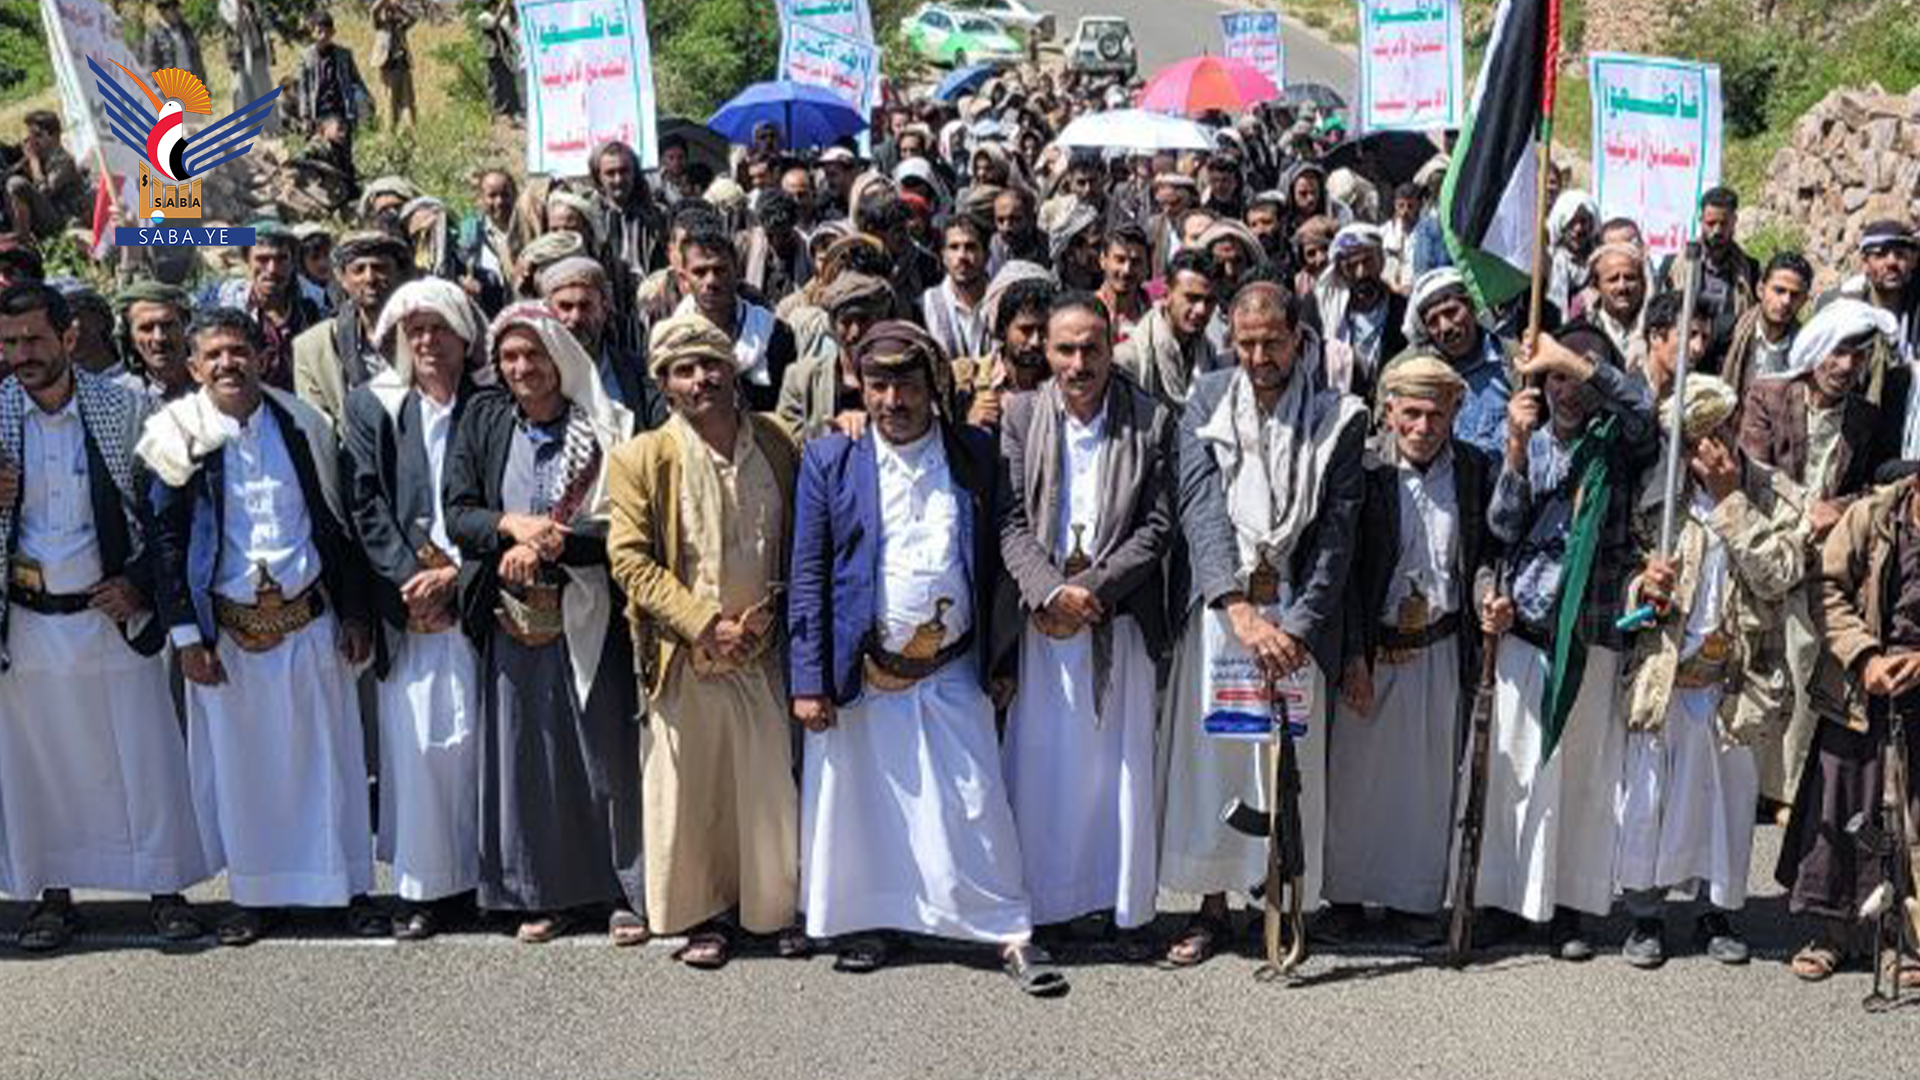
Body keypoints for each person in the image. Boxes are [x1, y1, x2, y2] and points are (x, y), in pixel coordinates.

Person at [788, 321, 1066, 996]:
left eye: (907, 385)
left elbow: (998, 555)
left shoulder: (973, 451)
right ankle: (873, 923)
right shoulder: (831, 458)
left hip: (952, 667)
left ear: (934, 386)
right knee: (867, 808)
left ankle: (1008, 930)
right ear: (860, 387)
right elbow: (808, 572)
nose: (892, 401)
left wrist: (1004, 659)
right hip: (865, 670)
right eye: (878, 386)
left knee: (976, 804)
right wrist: (807, 679)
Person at [139, 306, 379, 946]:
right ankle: (256, 896)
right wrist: (186, 636)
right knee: (244, 775)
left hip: (309, 621)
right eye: (213, 355)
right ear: (194, 367)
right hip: (229, 636)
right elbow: (166, 542)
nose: (228, 364)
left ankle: (347, 890)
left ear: (261, 357)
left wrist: (356, 611)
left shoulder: (303, 424)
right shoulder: (173, 434)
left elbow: (338, 522)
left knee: (329, 761)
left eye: (238, 351)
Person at [1157, 283, 1367, 967]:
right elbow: (1199, 509)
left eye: (1271, 342)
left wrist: (1298, 627)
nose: (1257, 357)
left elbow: (1336, 535)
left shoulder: (1337, 416)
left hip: (1296, 622)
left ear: (1298, 340)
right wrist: (1240, 610)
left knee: (1287, 768)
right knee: (1215, 764)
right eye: (1245, 344)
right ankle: (1212, 907)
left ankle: (1281, 896)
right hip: (1226, 618)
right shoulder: (1206, 401)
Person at [0, 283, 205, 950]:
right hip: (27, 623)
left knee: (144, 758)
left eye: (34, 339)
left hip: (110, 618)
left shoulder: (126, 407)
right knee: (39, 766)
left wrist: (141, 585)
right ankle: (53, 899)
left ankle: (165, 891)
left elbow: (170, 510)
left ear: (68, 337)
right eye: (9, 343)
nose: (22, 355)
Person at [606, 313, 807, 968]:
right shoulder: (641, 457)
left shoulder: (777, 440)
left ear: (733, 368)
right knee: (693, 795)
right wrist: (701, 623)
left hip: (760, 649)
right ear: (664, 383)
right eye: (684, 370)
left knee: (766, 789)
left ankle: (772, 913)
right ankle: (704, 920)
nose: (701, 379)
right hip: (685, 653)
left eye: (711, 364)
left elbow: (803, 534)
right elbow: (629, 560)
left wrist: (767, 618)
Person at [443, 303, 646, 946]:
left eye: (533, 354)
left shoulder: (607, 427)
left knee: (602, 753)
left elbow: (625, 528)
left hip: (588, 609)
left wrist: (557, 543)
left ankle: (621, 892)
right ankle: (543, 893)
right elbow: (459, 514)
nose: (522, 367)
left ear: (559, 358)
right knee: (528, 757)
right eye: (509, 356)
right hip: (513, 618)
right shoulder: (483, 421)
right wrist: (513, 526)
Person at [997, 294, 1172, 953]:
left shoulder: (1151, 419)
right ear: (1045, 351)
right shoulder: (1021, 415)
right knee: (1043, 768)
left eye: (1090, 349)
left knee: (1114, 770)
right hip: (1043, 623)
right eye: (1065, 349)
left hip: (1115, 617)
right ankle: (1045, 904)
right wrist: (1049, 593)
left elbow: (1157, 526)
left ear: (1112, 347)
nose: (1078, 364)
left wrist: (1091, 590)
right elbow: (1010, 521)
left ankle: (1119, 909)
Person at [1616, 375, 1806, 968]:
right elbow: (1620, 574)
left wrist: (1731, 503)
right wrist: (1642, 588)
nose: (1706, 447)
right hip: (1665, 676)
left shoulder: (1775, 493)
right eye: (1692, 437)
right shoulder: (1655, 496)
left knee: (1725, 804)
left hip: (1735, 683)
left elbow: (1780, 575)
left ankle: (1715, 912)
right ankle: (1644, 915)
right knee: (1649, 801)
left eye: (1715, 432)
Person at [1479, 325, 1656, 959]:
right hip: (1525, 630)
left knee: (1582, 779)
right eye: (1555, 376)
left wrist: (1577, 360)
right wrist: (1515, 448)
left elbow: (1644, 411)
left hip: (1588, 632)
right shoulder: (1525, 436)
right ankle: (1505, 900)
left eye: (1579, 375)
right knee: (1517, 774)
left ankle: (1568, 910)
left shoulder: (1619, 444)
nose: (1568, 389)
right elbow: (1503, 526)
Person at [1323, 356, 1497, 943]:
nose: (1423, 427)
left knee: (1425, 785)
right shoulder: (1365, 467)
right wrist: (1352, 656)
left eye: (1436, 415)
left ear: (1454, 414)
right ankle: (1345, 898)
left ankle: (1413, 902)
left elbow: (1482, 552)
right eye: (1412, 413)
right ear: (1389, 410)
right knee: (1356, 781)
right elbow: (1344, 571)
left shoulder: (1472, 469)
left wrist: (1487, 595)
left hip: (1438, 647)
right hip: (1375, 650)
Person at [343, 278, 492, 940]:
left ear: (464, 336)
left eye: (439, 328)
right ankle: (424, 888)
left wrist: (457, 578)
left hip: (477, 591)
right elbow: (365, 501)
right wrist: (412, 579)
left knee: (479, 741)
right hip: (408, 603)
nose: (428, 341)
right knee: (416, 745)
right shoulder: (373, 404)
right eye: (416, 330)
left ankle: (488, 881)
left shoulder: (490, 405)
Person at [1777, 466, 1920, 988]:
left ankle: (1903, 939)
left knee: (1911, 818)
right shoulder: (1872, 515)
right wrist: (1865, 658)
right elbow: (1826, 587)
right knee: (1841, 805)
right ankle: (1832, 933)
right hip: (1860, 687)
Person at [292, 231, 409, 432]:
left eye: (380, 268)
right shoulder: (313, 347)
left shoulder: (422, 334)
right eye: (359, 270)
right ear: (343, 279)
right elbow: (317, 426)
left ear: (398, 275)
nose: (369, 278)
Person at [673, 224, 797, 413]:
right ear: (684, 279)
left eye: (720, 270)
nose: (711, 281)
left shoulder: (773, 333)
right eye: (700, 272)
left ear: (737, 271)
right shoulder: (672, 340)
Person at [1394, 269, 1516, 457]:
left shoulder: (1511, 357)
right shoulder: (1415, 373)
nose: (1445, 327)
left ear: (1473, 308)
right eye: (1433, 321)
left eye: (1451, 312)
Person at [536, 255, 666, 429]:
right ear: (547, 312)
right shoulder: (530, 374)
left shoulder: (637, 374)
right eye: (566, 307)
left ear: (604, 309)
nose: (576, 317)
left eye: (585, 306)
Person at [777, 271, 893, 440]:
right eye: (846, 322)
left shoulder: (898, 376)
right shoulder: (800, 378)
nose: (856, 332)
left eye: (864, 320)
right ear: (832, 326)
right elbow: (786, 441)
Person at [209, 224, 321, 392]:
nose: (272, 269)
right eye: (262, 259)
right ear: (247, 261)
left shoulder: (314, 305)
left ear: (293, 262)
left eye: (281, 259)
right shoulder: (227, 304)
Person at [1309, 225, 1408, 401]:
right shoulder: (1319, 311)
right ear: (1340, 270)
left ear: (1381, 260)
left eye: (1368, 262)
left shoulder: (1403, 310)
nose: (1361, 273)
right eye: (1351, 265)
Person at [1115, 249, 1224, 410]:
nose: (1201, 309)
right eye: (1192, 298)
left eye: (1210, 300)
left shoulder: (1209, 356)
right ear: (1166, 295)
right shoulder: (1129, 360)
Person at [953, 262, 1055, 429]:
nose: (1035, 341)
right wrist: (969, 426)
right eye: (1025, 330)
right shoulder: (966, 380)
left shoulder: (1064, 381)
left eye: (1044, 330)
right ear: (1002, 328)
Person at [1721, 252, 1813, 399]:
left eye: (1795, 295)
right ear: (1760, 289)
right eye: (1779, 290)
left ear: (1804, 301)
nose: (1786, 301)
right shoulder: (1728, 334)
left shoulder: (1807, 351)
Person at [922, 216, 992, 364]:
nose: (962, 256)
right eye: (954, 247)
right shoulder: (925, 305)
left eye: (970, 247)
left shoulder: (1001, 300)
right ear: (943, 256)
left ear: (986, 255)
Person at [5, 112, 81, 244]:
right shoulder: (42, 156)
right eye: (30, 135)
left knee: (16, 184)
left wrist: (33, 161)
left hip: (63, 218)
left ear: (54, 136)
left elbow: (45, 192)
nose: (32, 141)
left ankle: (23, 238)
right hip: (46, 215)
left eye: (38, 135)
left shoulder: (64, 161)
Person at [115, 280, 196, 402]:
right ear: (131, 338)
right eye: (146, 328)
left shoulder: (213, 382)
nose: (159, 337)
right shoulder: (121, 394)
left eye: (168, 325)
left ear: (185, 326)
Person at [592, 141, 663, 280]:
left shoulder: (657, 216)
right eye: (610, 173)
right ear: (598, 177)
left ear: (634, 173)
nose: (618, 179)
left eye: (624, 171)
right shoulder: (591, 218)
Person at [293, 12, 371, 138]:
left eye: (327, 32)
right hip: (318, 111)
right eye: (319, 32)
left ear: (333, 32)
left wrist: (367, 100)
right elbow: (303, 89)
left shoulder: (344, 55)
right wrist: (305, 116)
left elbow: (356, 80)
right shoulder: (306, 57)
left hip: (340, 110)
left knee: (341, 144)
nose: (323, 36)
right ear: (313, 33)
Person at [739, 191, 811, 310]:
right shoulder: (746, 245)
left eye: (785, 235)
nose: (778, 242)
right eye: (770, 235)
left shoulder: (807, 250)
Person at [1590, 243, 1651, 370]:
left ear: (1643, 284)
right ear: (1596, 287)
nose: (1622, 287)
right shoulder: (1586, 330)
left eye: (1630, 278)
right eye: (1613, 279)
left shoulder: (1655, 332)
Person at [224, 0, 277, 134]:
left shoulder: (253, 3)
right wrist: (239, 6)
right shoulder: (226, 4)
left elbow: (263, 24)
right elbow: (236, 26)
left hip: (257, 53)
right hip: (240, 56)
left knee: (264, 91)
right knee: (243, 93)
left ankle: (269, 128)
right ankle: (247, 132)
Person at [1544, 191, 1598, 320]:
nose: (1578, 229)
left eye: (1583, 221)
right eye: (1572, 222)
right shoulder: (1550, 259)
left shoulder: (1599, 259)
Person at [1095, 224, 1150, 343]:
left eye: (1136, 262)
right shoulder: (1086, 313)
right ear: (1103, 260)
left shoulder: (1155, 313)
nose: (1127, 270)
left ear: (1146, 266)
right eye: (1120, 260)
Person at [369, 0, 417, 131]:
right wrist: (384, 2)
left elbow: (413, 18)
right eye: (387, 11)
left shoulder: (400, 25)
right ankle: (391, 132)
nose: (389, 13)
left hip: (403, 66)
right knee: (390, 102)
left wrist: (399, 8)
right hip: (388, 68)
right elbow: (373, 11)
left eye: (392, 11)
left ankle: (411, 131)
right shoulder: (380, 25)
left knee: (408, 101)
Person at [145, 0, 205, 76]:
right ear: (162, 11)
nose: (177, 11)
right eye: (173, 8)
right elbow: (152, 66)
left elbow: (197, 60)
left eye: (177, 6)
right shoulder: (155, 35)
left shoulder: (186, 30)